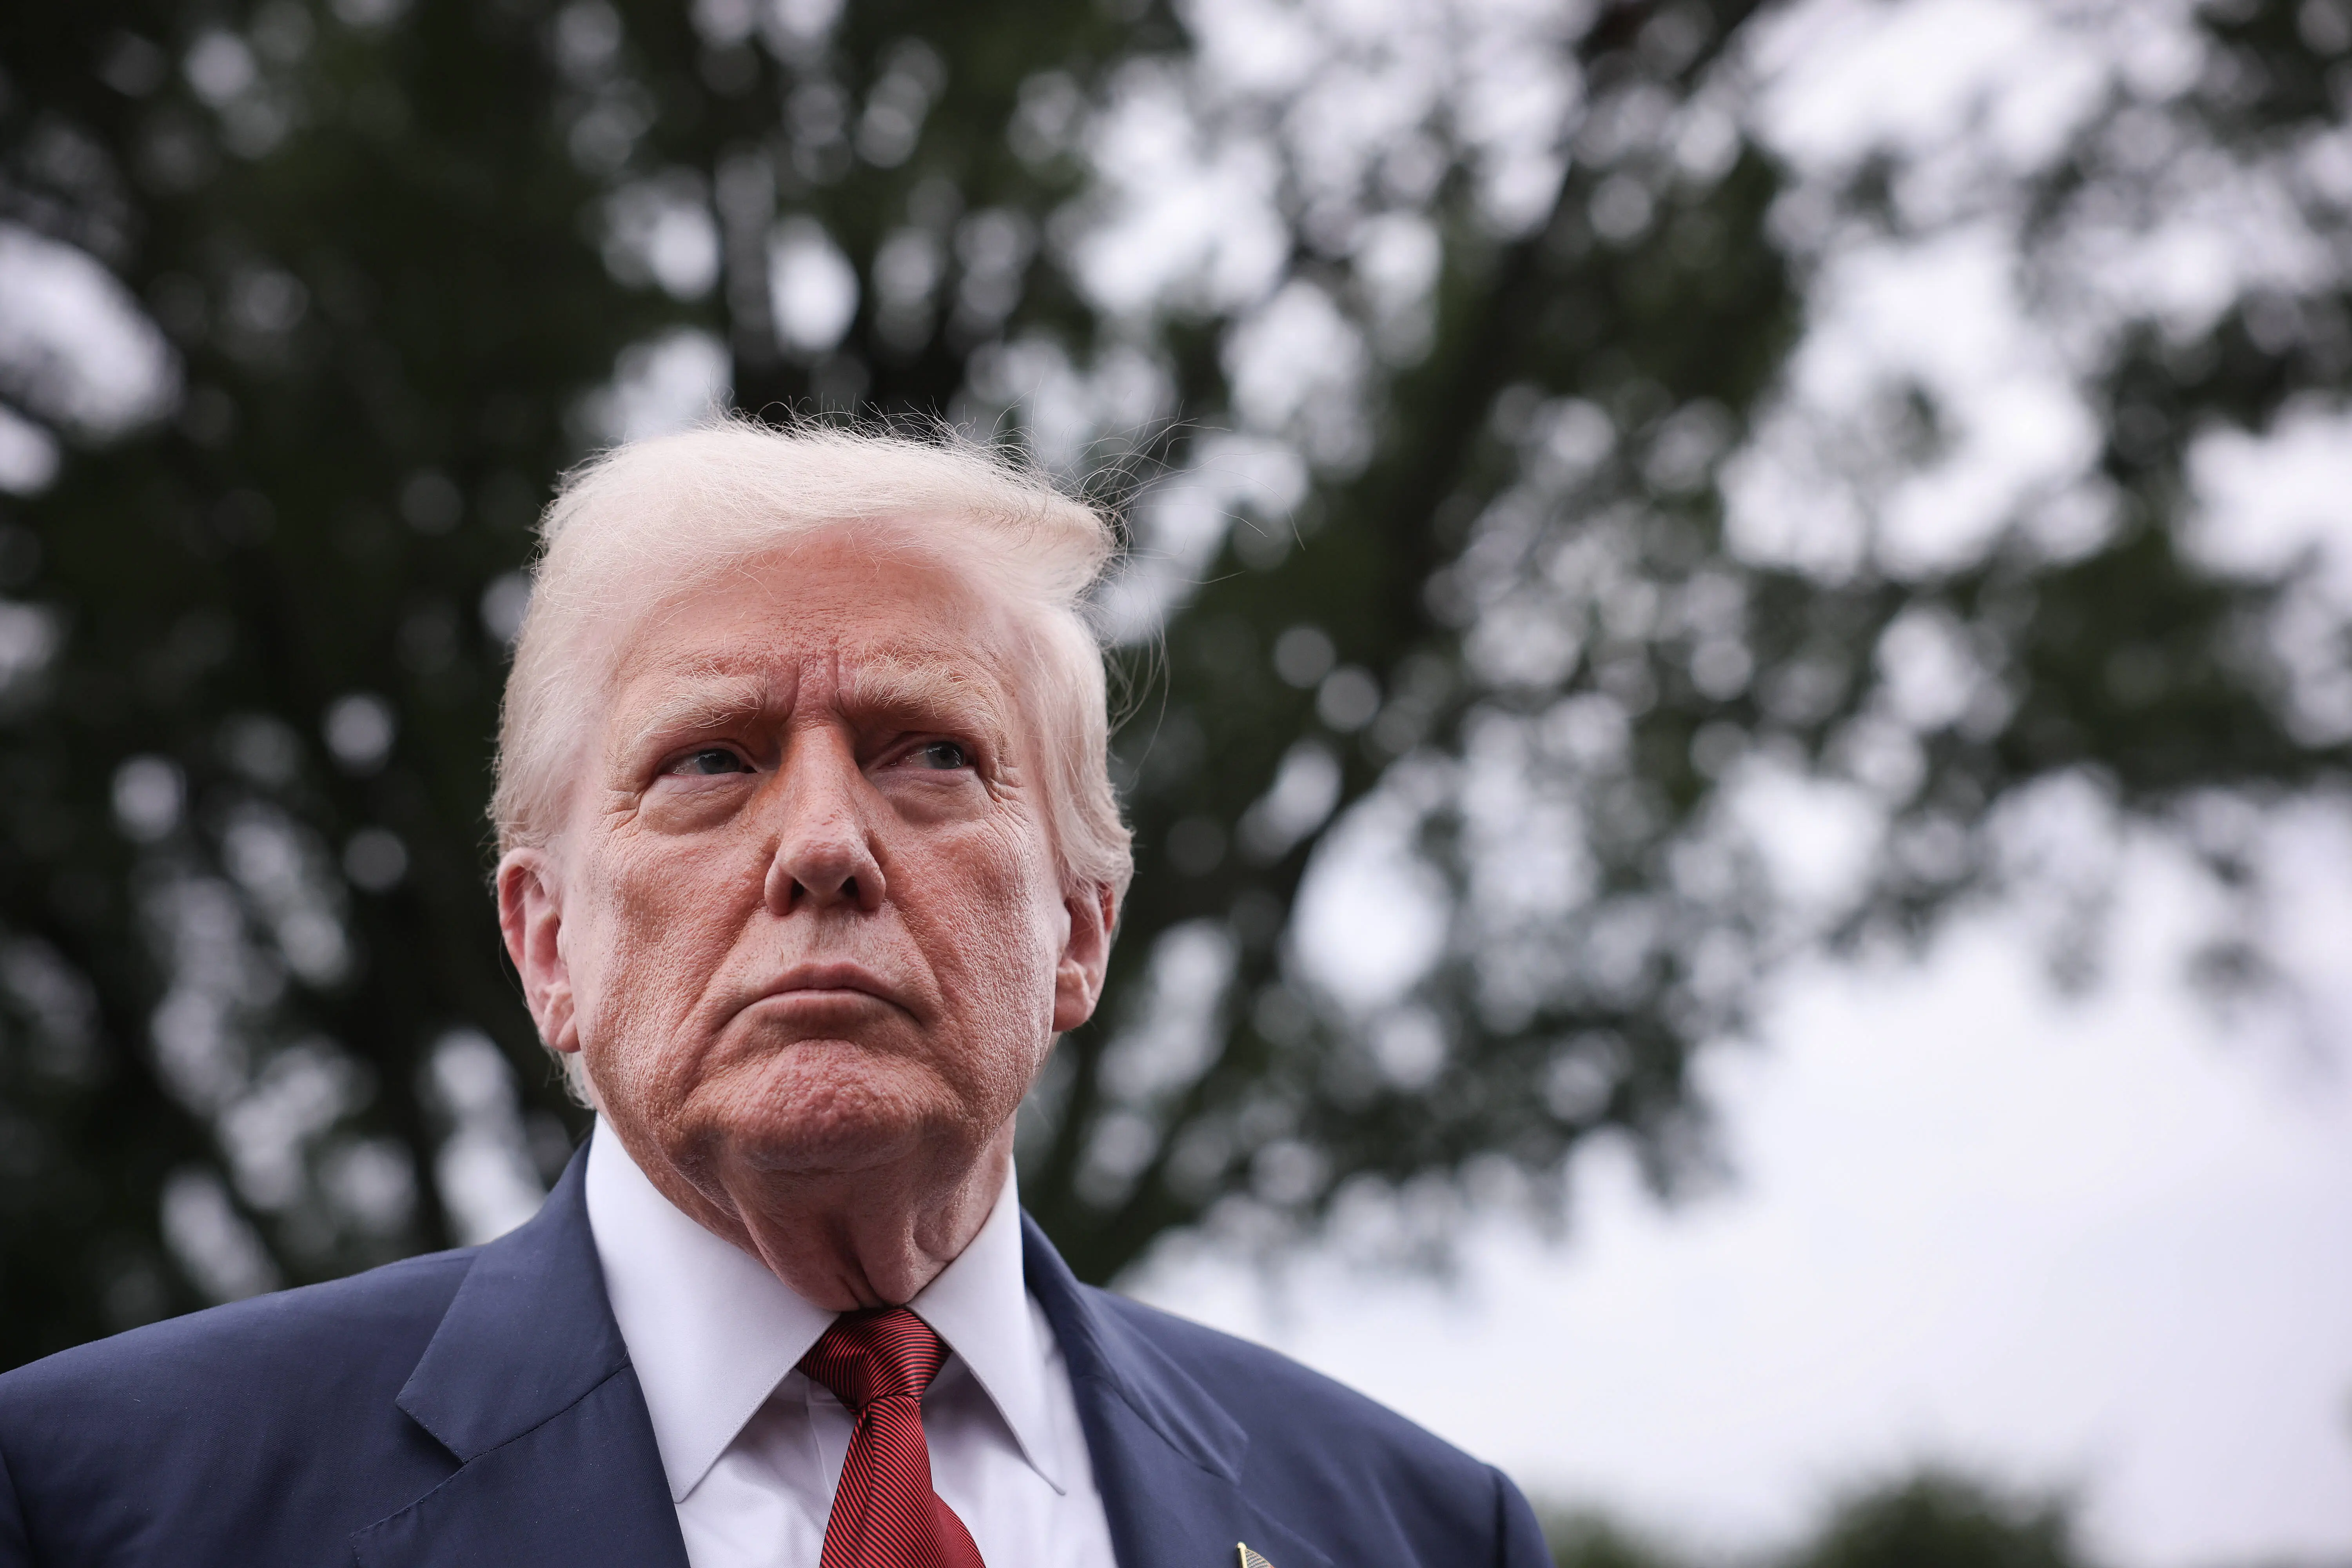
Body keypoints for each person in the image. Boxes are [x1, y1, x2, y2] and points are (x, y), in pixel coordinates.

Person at [0, 424, 1552, 1568]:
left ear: (1081, 927)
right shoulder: (96, 1502)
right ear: (549, 947)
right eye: (711, 760)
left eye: (928, 751)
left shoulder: (1415, 1530)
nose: (821, 845)